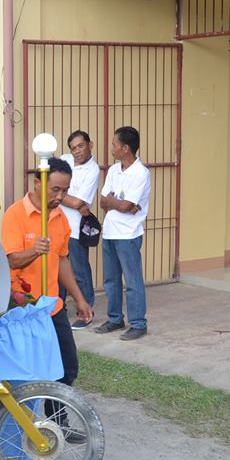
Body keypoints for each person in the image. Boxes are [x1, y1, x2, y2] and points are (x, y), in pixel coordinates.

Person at [1, 158, 93, 402]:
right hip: (23, 308)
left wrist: (80, 299)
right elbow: (11, 260)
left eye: (66, 190)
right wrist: (34, 250)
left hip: (52, 306)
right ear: (37, 183)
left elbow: (62, 261)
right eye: (56, 189)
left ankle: (57, 423)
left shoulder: (60, 217)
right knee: (27, 373)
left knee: (67, 367)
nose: (61, 196)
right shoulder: (15, 214)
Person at [96, 126, 150, 341]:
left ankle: (138, 323)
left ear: (125, 148)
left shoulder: (141, 173)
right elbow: (103, 202)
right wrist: (119, 204)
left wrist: (118, 203)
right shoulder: (113, 170)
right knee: (111, 280)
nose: (112, 149)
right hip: (109, 232)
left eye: (114, 145)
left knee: (132, 281)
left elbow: (127, 206)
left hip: (128, 234)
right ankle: (115, 318)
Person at [59, 130, 100, 329]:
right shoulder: (64, 160)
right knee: (56, 270)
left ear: (90, 145)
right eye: (73, 148)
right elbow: (46, 187)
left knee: (79, 271)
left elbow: (77, 202)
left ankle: (86, 312)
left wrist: (57, 195)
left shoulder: (93, 170)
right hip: (56, 226)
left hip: (75, 230)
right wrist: (71, 200)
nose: (76, 151)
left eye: (80, 146)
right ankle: (58, 311)